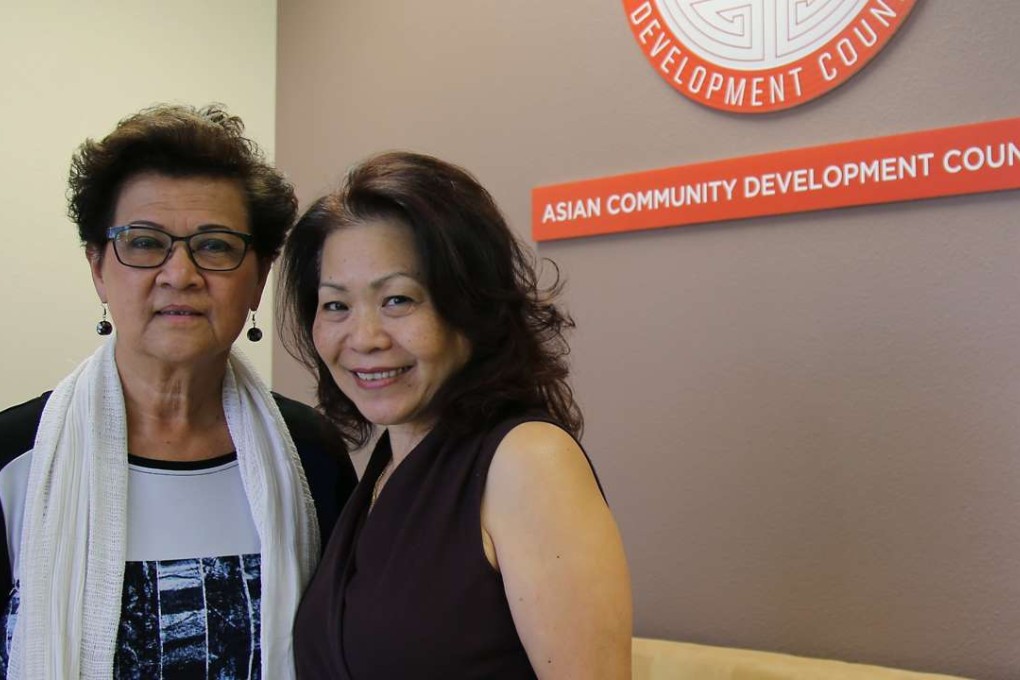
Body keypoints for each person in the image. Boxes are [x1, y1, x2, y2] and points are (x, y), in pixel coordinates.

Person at [0, 104, 357, 679]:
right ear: (98, 268)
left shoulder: (310, 453)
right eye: (144, 243)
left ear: (259, 278)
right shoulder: (15, 456)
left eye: (215, 246)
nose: (180, 274)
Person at [279, 151, 633, 678]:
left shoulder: (529, 461)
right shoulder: (388, 464)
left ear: (470, 304)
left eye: (398, 300)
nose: (365, 338)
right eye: (336, 305)